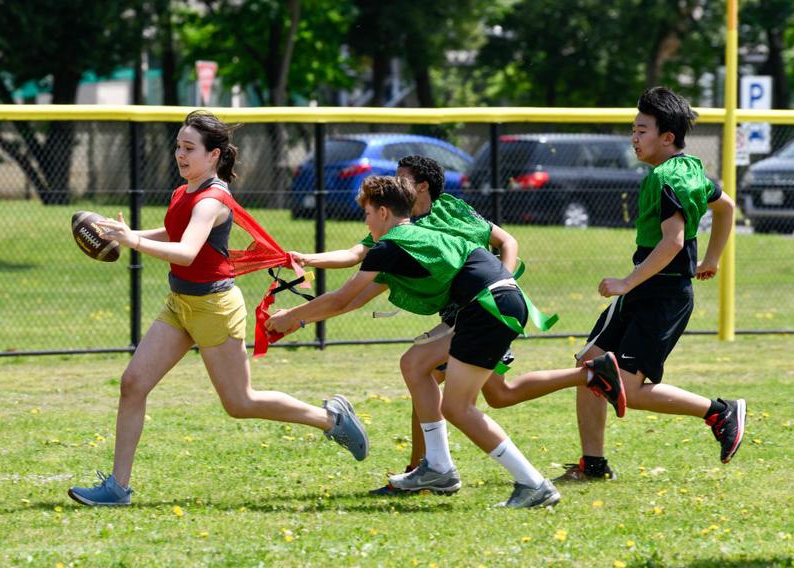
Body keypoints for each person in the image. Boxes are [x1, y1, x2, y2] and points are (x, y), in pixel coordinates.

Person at [268, 176, 626, 508]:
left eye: (367, 214)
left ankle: (533, 484)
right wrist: (301, 308)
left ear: (383, 212)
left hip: (488, 306)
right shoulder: (412, 237)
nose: (366, 222)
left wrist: (290, 318)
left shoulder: (391, 245)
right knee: (415, 363)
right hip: (494, 301)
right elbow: (351, 298)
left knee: (458, 407)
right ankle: (438, 467)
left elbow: (342, 299)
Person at [67, 110, 368, 506]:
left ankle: (332, 419)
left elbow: (187, 252)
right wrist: (124, 235)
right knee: (133, 384)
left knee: (240, 403)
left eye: (189, 148)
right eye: (178, 146)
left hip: (215, 308)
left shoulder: (213, 199)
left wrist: (133, 241)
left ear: (213, 155)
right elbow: (174, 232)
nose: (180, 154)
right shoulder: (184, 191)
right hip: (180, 304)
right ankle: (117, 488)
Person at [291, 155, 521, 495]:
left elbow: (507, 241)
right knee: (449, 380)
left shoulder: (436, 216)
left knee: (456, 393)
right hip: (469, 311)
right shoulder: (398, 230)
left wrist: (502, 281)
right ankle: (431, 470)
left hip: (484, 307)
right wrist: (307, 259)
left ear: (422, 186)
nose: (396, 183)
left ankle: (445, 472)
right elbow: (355, 257)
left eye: (403, 178)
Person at [555, 86, 744, 484]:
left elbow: (672, 242)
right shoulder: (689, 168)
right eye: (633, 129)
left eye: (642, 131)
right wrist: (712, 259)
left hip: (662, 295)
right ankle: (593, 465)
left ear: (667, 137)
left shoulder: (666, 177)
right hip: (651, 289)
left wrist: (626, 282)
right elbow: (726, 207)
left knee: (626, 388)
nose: (634, 138)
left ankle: (719, 411)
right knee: (591, 368)